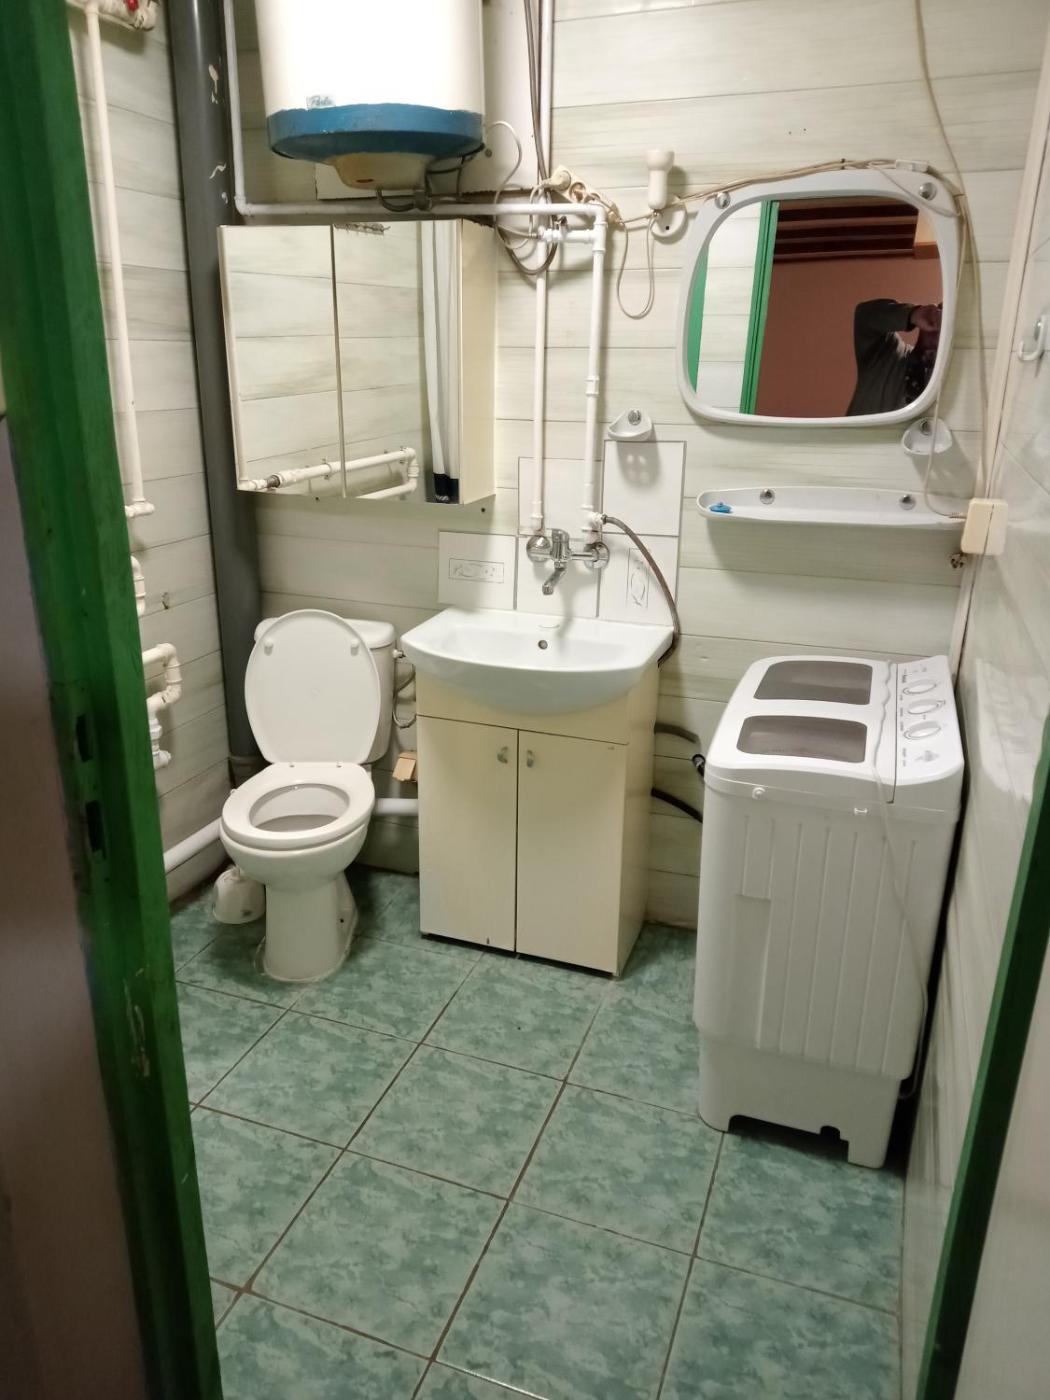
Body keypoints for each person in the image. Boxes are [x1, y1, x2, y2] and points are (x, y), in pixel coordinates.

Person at [846, 298, 941, 415]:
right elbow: (865, 315)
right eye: (937, 319)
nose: (939, 331)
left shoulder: (952, 387)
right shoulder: (888, 353)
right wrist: (913, 313)